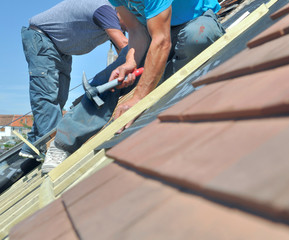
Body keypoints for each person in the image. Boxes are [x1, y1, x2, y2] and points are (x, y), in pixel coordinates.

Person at [42, 0, 225, 174]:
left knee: (198, 37)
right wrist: (130, 62)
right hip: (151, 30)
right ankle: (63, 143)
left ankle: (166, 108)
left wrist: (138, 98)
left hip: (194, 21)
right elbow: (136, 30)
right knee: (108, 80)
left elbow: (161, 42)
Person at [19, 0, 128, 159]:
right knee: (47, 98)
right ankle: (54, 149)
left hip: (60, 48)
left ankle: (32, 147)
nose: (130, 26)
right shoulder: (107, 10)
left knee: (58, 100)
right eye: (133, 18)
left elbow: (123, 53)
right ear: (122, 11)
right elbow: (125, 46)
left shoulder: (116, 17)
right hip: (42, 39)